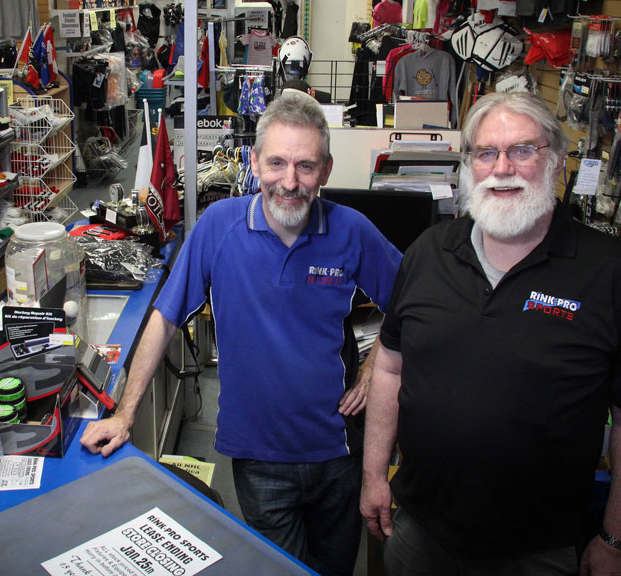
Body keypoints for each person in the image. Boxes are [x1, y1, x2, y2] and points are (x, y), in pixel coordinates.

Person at [82, 89, 402, 576]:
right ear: (253, 162)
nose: (289, 182)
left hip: (338, 452)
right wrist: (125, 414)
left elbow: (411, 299)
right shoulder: (218, 226)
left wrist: (373, 367)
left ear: (327, 171)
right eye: (276, 163)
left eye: (306, 166)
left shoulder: (352, 231)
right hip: (259, 457)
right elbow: (165, 318)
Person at [361, 91, 621, 576]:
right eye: (486, 153)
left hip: (539, 552)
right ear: (469, 165)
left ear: (556, 161)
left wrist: (618, 541)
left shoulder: (613, 274)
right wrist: (374, 476)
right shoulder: (428, 252)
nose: (503, 168)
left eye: (522, 150)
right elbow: (391, 369)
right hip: (419, 532)